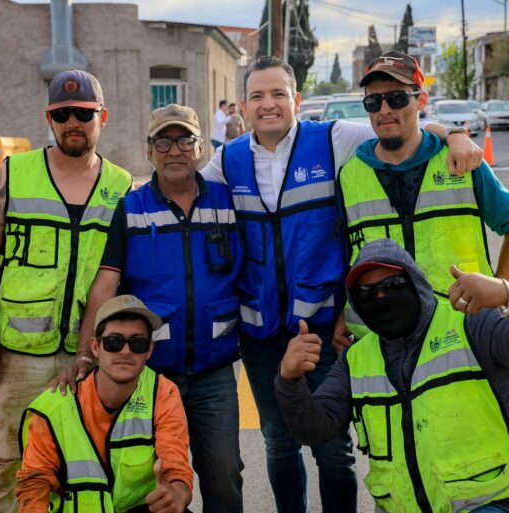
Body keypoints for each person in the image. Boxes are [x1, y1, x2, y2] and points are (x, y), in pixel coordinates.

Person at [199, 55, 483, 513]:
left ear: (297, 99)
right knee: (278, 442)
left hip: (322, 329)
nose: (268, 104)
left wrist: (454, 133)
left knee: (332, 447)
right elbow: (181, 188)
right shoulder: (227, 160)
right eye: (257, 96)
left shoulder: (333, 139)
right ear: (244, 106)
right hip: (260, 335)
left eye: (278, 94)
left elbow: (403, 129)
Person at [276, 238, 509, 512]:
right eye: (366, 293)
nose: (381, 297)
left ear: (415, 282)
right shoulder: (356, 359)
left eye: (393, 285)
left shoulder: (469, 324)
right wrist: (290, 380)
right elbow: (315, 429)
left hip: (495, 502)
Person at [53, 104, 245, 513]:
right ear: (149, 150)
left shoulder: (228, 204)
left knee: (224, 473)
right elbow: (105, 286)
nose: (174, 150)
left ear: (201, 148)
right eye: (163, 141)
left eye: (184, 140)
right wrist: (85, 355)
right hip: (150, 375)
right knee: (151, 481)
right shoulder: (131, 208)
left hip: (214, 374)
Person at [0, 69, 133, 513]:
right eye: (61, 114)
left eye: (83, 113)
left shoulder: (121, 187)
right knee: (12, 470)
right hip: (18, 358)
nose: (72, 122)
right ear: (49, 118)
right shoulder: (14, 173)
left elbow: (113, 277)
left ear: (103, 117)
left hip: (89, 356)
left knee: (82, 471)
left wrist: (90, 356)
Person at [336, 51, 509, 347]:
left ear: (421, 101)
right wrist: (343, 314)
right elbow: (345, 259)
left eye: (397, 98)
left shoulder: (461, 162)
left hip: (463, 334)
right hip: (380, 341)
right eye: (373, 102)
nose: (384, 110)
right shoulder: (349, 175)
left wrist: (498, 298)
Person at [17, 295, 193, 513]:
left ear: (149, 349)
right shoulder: (52, 407)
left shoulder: (163, 393)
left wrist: (178, 494)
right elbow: (34, 484)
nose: (126, 351)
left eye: (137, 343)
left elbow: (176, 468)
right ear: (95, 347)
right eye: (114, 342)